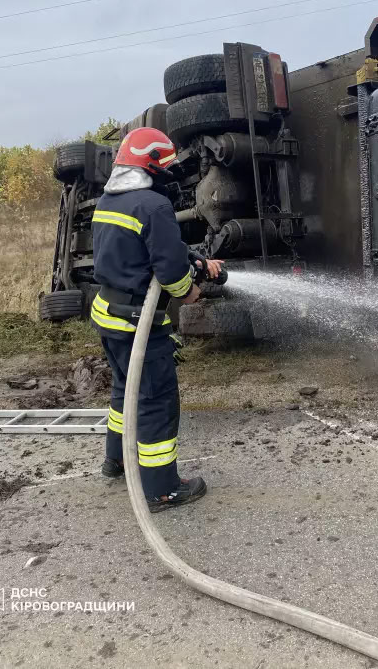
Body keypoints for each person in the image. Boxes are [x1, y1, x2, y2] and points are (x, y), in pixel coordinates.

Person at [90, 126, 222, 512]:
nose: (171, 175)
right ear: (152, 166)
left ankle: (115, 461)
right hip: (138, 324)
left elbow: (150, 249)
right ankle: (162, 488)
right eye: (167, 168)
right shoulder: (154, 205)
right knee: (156, 401)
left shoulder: (109, 202)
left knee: (123, 392)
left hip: (109, 314)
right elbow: (170, 273)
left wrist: (198, 261)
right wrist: (190, 290)